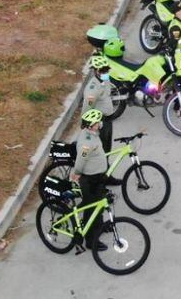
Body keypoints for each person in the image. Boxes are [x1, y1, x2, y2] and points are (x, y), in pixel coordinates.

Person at [71, 108, 109, 251]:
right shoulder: (86, 141)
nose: (100, 123)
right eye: (98, 122)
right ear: (91, 125)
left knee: (98, 204)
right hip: (90, 179)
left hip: (97, 177)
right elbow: (81, 159)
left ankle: (100, 227)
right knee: (91, 209)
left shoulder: (92, 133)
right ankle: (91, 240)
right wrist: (77, 172)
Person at [81, 71, 117, 188]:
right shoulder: (92, 87)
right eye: (103, 70)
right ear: (96, 71)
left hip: (108, 120)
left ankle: (106, 177)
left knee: (107, 150)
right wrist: (85, 122)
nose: (106, 72)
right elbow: (88, 105)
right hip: (99, 122)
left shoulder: (105, 80)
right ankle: (96, 185)